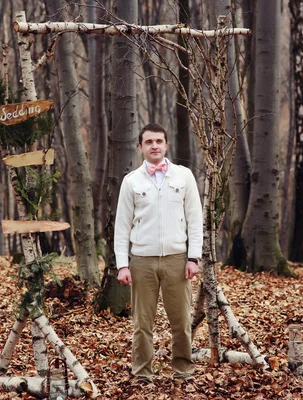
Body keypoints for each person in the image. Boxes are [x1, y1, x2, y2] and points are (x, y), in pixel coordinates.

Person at [114, 123, 203, 381]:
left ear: (166, 145)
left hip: (177, 260)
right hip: (142, 261)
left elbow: (194, 220)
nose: (154, 146)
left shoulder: (184, 176)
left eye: (159, 141)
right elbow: (122, 226)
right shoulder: (131, 182)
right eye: (149, 142)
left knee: (181, 322)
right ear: (140, 147)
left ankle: (183, 371)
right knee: (142, 324)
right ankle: (142, 373)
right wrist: (122, 264)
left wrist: (193, 258)